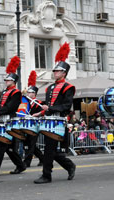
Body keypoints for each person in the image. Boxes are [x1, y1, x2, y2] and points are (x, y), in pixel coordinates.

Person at [32, 42, 76, 184]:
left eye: (57, 71)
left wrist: (49, 109)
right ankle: (69, 166)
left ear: (64, 73)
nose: (54, 73)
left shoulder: (68, 87)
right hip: (49, 120)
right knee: (51, 150)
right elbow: (48, 105)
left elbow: (66, 106)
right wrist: (41, 113)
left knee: (50, 149)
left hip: (58, 121)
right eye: (54, 71)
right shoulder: (49, 88)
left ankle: (47, 175)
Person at [22, 70, 44, 168]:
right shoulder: (26, 103)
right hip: (27, 124)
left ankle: (27, 162)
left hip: (35, 125)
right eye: (28, 92)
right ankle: (42, 158)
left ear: (34, 93)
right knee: (29, 144)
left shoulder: (39, 102)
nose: (28, 93)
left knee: (30, 144)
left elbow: (44, 111)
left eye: (30, 92)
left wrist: (37, 114)